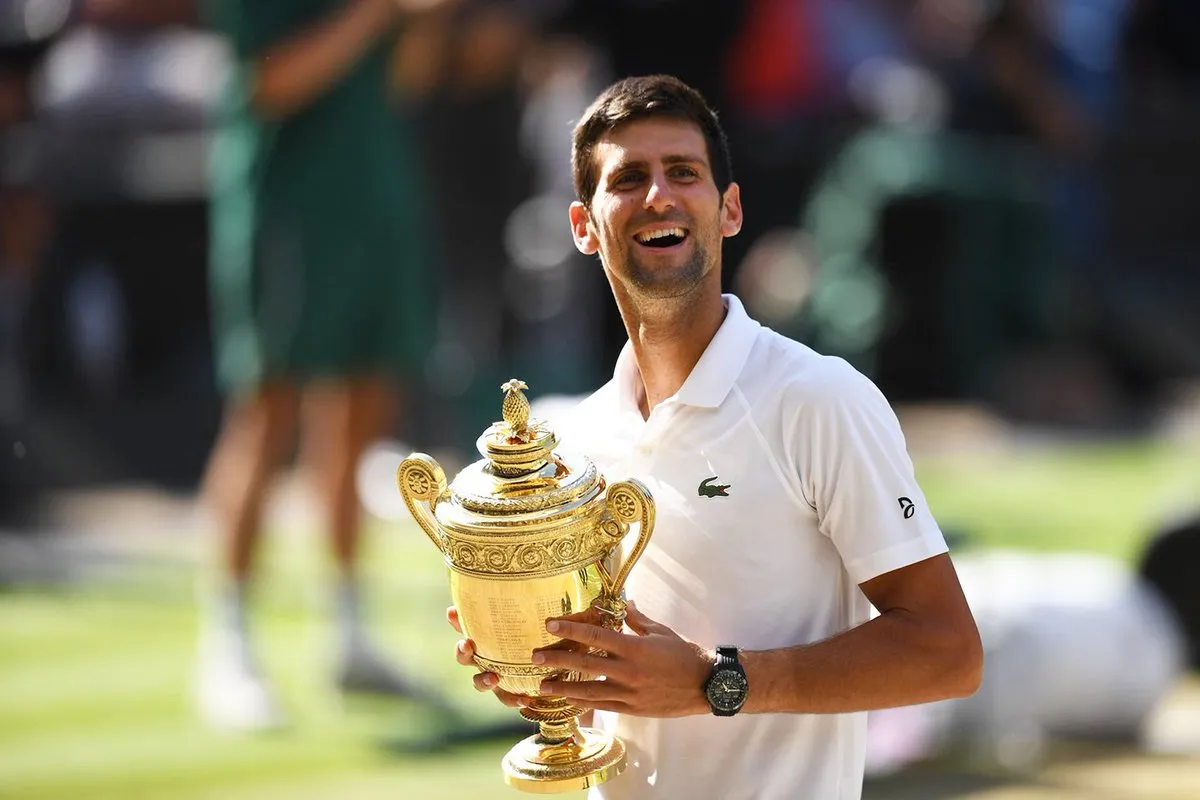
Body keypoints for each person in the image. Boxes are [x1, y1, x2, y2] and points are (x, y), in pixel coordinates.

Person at [449, 74, 983, 799]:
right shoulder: (571, 440)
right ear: (583, 226)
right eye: (628, 178)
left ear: (728, 209)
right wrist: (541, 669)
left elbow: (947, 651)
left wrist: (714, 680)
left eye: (684, 173)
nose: (659, 197)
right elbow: (620, 683)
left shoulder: (818, 399)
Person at [197, 0, 443, 731]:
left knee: (361, 423)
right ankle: (229, 642)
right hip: (288, 218)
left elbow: (406, 82)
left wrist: (422, 19)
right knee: (264, 420)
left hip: (375, 211)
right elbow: (266, 82)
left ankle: (348, 633)